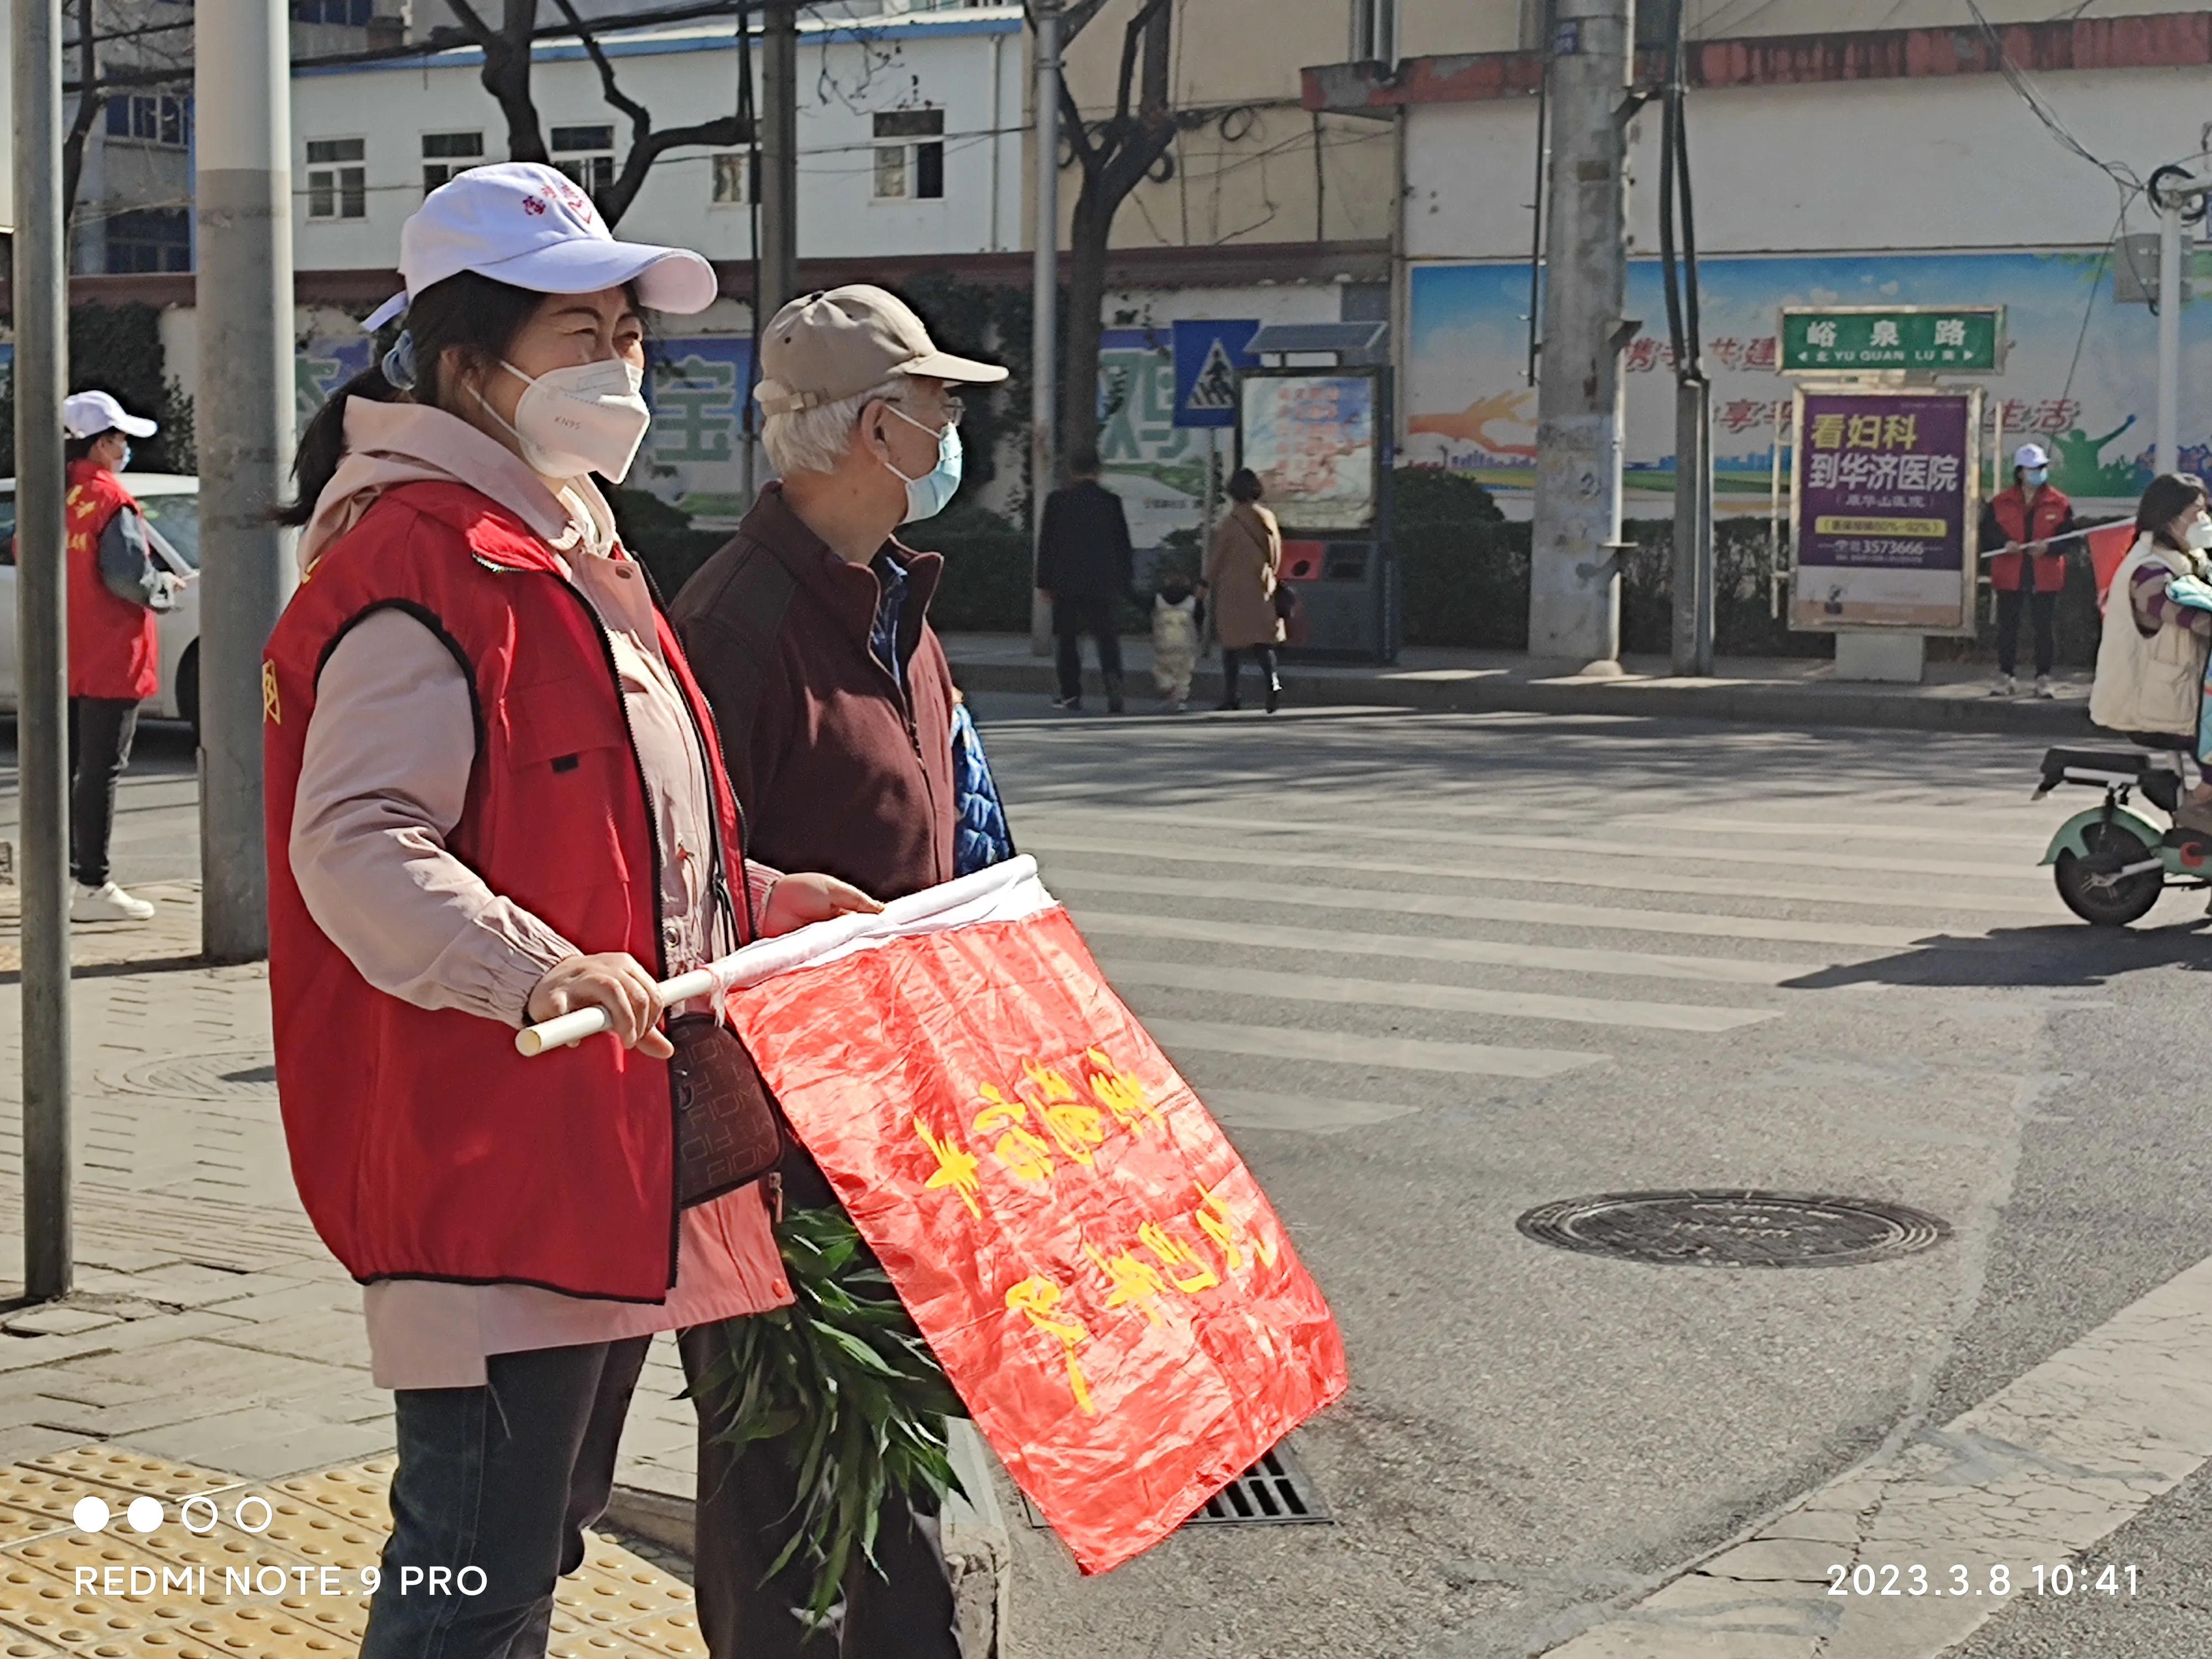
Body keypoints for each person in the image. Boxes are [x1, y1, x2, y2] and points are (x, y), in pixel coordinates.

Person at [259, 164, 877, 1659]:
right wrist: (534, 975)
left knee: (522, 1546)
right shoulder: (424, 565)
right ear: (465, 356)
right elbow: (354, 843)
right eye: (581, 335)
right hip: (493, 1161)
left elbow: (632, 837)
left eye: (632, 335)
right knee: (474, 1564)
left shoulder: (569, 548)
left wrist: (775, 904)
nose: (620, 368)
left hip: (596, 1157)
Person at [669, 283, 1006, 1658]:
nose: (951, 427)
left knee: (900, 1481)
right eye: (937, 405)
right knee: (784, 1517)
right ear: (876, 426)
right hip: (777, 1159)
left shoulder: (894, 610)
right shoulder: (735, 629)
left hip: (898, 1123)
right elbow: (675, 897)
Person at [63, 389, 186, 922]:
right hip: (113, 652)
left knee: (72, 771)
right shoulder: (112, 500)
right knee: (101, 772)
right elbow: (127, 576)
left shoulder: (57, 494)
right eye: (120, 439)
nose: (125, 449)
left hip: (67, 652)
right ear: (103, 443)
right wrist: (164, 586)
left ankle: (68, 877)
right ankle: (92, 883)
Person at [2089, 471, 2212, 832]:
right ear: (2169, 518)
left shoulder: (2189, 561)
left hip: (2182, 701)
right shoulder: (2149, 573)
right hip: (2153, 707)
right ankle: (2195, 807)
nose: (2204, 521)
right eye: (2197, 513)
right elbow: (2192, 618)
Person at [1036, 446, 1134, 712]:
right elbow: (1122, 545)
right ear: (1098, 471)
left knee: (1067, 640)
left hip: (1066, 582)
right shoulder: (1111, 502)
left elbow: (1047, 545)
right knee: (1107, 639)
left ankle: (1071, 695)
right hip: (1104, 582)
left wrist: (1044, 582)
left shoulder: (1057, 501)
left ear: (1072, 470)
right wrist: (1125, 582)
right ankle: (1114, 688)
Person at [1979, 441, 2077, 698]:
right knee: (2007, 627)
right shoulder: (2000, 503)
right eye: (2033, 468)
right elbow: (1986, 536)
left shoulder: (2060, 503)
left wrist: (2050, 548)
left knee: (2044, 628)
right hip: (2010, 572)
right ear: (2020, 472)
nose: (2038, 472)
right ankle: (2006, 675)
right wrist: (2004, 544)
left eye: (2042, 467)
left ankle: (2043, 677)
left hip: (2045, 574)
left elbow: (2070, 538)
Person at [1206, 466, 1285, 712]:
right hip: (1261, 585)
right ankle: (1272, 683)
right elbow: (1276, 555)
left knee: (1232, 645)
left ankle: (1232, 696)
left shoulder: (1231, 522)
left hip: (1232, 590)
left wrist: (1205, 583)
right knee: (1263, 642)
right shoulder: (1268, 517)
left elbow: (1217, 558)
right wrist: (1269, 574)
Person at [1148, 570, 1203, 712]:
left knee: (1162, 670)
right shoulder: (1192, 602)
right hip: (1186, 644)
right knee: (1184, 674)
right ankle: (1180, 697)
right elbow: (1200, 618)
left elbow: (1148, 611)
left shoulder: (1158, 599)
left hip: (1163, 644)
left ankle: (1169, 689)